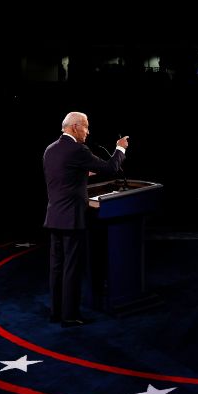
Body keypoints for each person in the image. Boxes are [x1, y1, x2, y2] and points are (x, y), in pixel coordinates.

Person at [43, 112, 129, 327]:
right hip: (72, 219)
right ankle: (70, 316)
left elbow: (61, 176)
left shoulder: (50, 149)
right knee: (71, 268)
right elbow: (111, 168)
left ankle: (56, 312)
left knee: (57, 267)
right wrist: (120, 148)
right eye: (86, 127)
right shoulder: (78, 149)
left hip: (54, 216)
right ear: (74, 127)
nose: (88, 132)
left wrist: (82, 173)